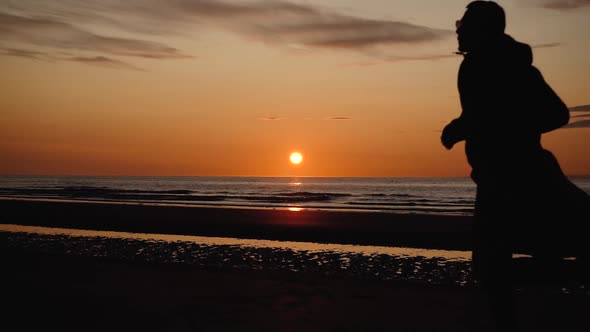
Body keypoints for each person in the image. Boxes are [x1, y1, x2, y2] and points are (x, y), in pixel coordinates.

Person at [442, 1, 589, 330]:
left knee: (494, 265)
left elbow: (556, 113)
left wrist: (482, 127)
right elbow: (482, 114)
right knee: (496, 264)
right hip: (500, 175)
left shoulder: (509, 66)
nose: (458, 29)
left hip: (516, 176)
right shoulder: (480, 65)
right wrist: (461, 126)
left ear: (482, 28)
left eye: (463, 24)